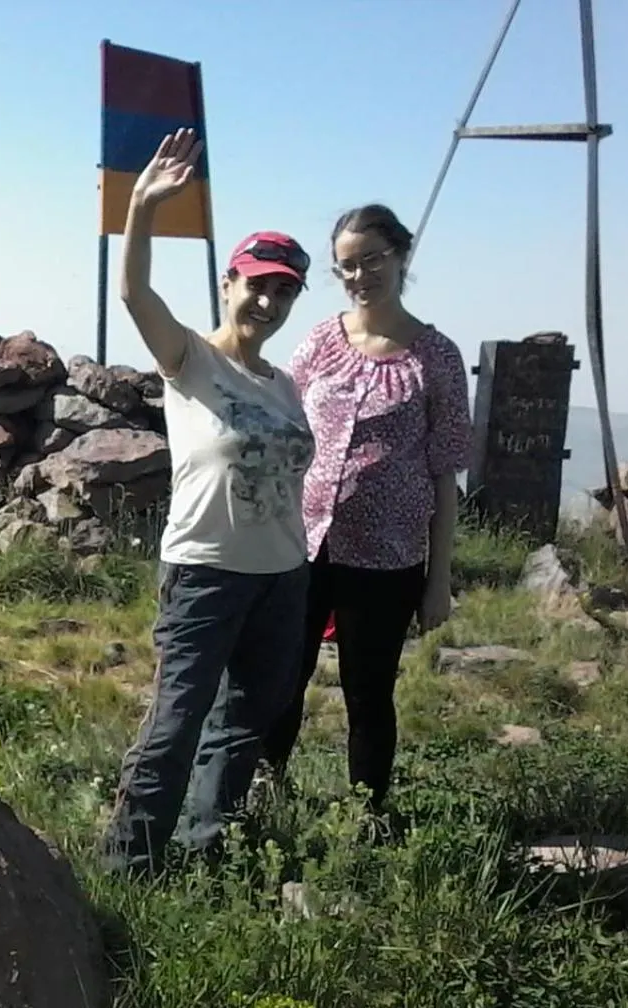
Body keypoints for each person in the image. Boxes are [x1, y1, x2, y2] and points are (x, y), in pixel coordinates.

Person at [100, 129, 315, 875]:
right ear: (229, 283)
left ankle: (201, 846)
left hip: (284, 577)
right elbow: (132, 292)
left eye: (284, 289)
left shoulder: (284, 385)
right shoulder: (190, 358)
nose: (268, 299)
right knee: (175, 724)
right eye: (257, 283)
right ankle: (131, 867)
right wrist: (142, 209)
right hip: (205, 574)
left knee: (244, 723)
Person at [261, 203, 473, 808]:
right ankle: (263, 793)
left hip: (388, 556)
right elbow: (280, 420)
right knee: (282, 675)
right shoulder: (323, 341)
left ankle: (366, 817)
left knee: (368, 690)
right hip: (301, 543)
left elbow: (443, 473)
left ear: (402, 256)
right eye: (345, 267)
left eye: (370, 260)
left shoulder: (436, 358)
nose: (358, 277)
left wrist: (438, 580)